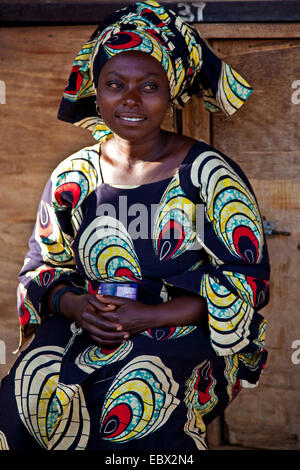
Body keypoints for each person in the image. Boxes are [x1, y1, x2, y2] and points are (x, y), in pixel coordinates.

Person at [0, 1, 270, 451]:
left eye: (149, 85)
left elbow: (248, 283)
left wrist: (149, 315)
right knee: (21, 398)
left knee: (139, 398)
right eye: (114, 84)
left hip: (181, 326)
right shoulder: (73, 177)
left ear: (171, 92)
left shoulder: (208, 174)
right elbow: (41, 271)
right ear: (95, 89)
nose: (129, 99)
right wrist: (74, 306)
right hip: (88, 322)